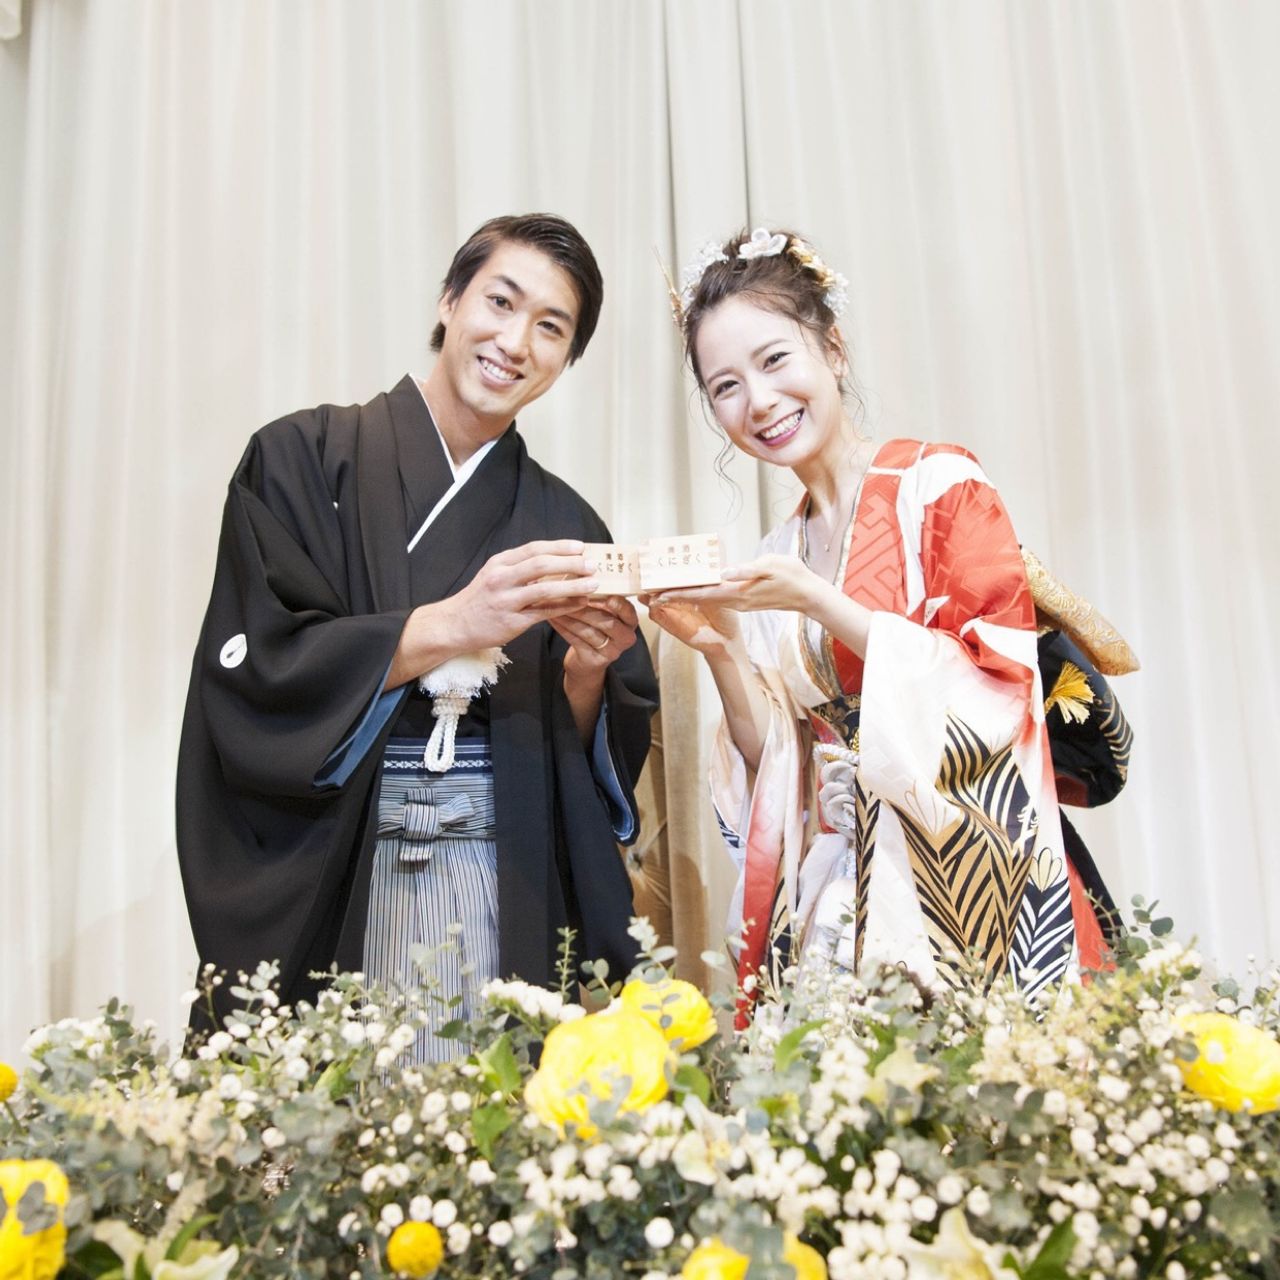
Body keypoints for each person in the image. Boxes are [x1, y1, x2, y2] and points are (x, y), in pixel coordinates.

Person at [177, 213, 657, 1056]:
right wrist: (451, 623)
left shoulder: (567, 523)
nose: (515, 342)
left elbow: (590, 757)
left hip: (498, 875)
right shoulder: (299, 460)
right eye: (500, 302)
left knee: (478, 1110)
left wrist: (588, 673)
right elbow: (257, 674)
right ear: (449, 301)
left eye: (551, 328)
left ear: (567, 359)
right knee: (337, 1109)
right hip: (339, 867)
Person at [647, 227, 1125, 1011]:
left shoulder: (939, 486)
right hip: (844, 884)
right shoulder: (780, 551)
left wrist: (818, 600)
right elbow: (781, 763)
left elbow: (999, 690)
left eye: (775, 360)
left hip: (974, 871)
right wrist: (719, 647)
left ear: (833, 350)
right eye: (725, 386)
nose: (759, 401)